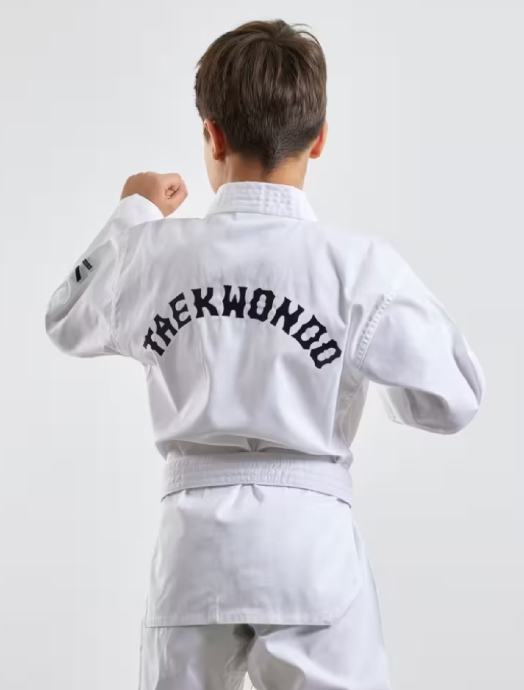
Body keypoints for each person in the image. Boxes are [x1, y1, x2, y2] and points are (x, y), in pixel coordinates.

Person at [44, 18, 485, 690]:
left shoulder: (155, 254)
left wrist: (133, 212)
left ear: (212, 136)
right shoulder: (356, 266)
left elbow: (66, 319)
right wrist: (372, 378)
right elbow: (454, 398)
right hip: (310, 542)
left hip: (193, 548)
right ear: (320, 139)